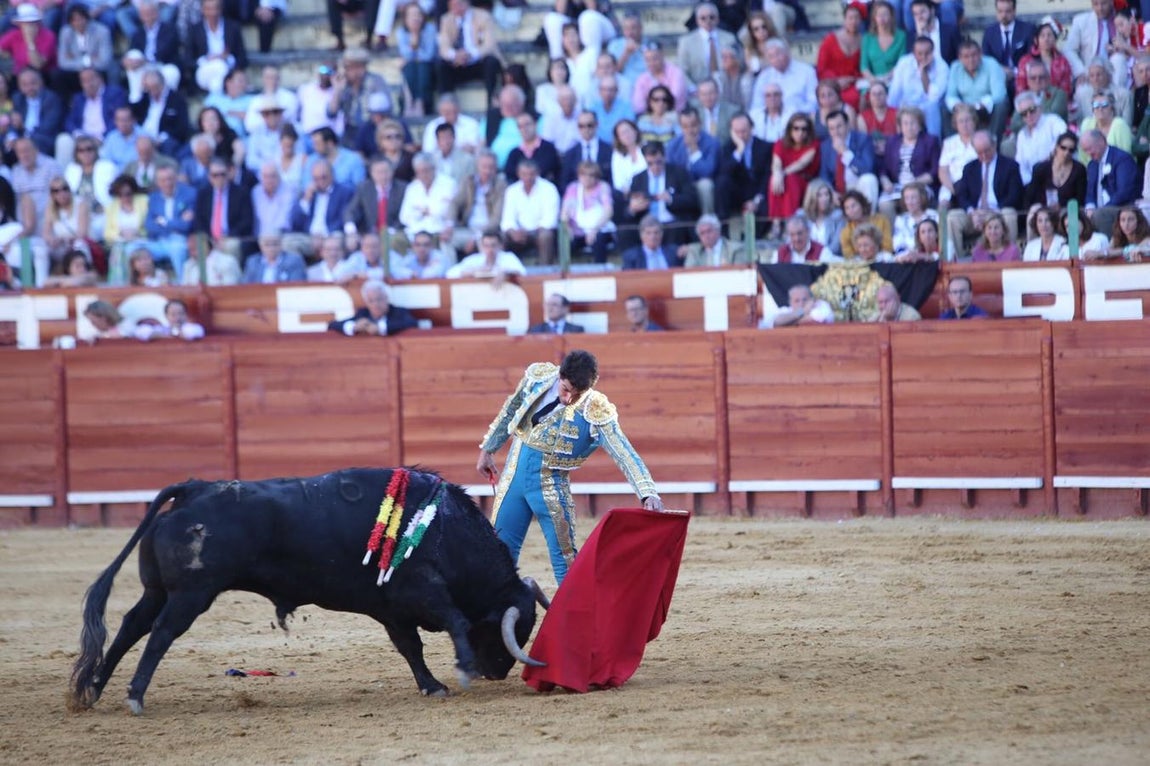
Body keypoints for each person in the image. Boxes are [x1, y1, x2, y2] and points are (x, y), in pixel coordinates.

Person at [476, 349, 663, 584]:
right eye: (565, 389)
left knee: (565, 562)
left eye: (577, 395)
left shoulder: (595, 408)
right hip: (512, 479)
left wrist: (647, 492)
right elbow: (510, 410)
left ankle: (575, 608)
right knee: (498, 555)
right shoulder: (538, 377)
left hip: (550, 488)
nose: (568, 400)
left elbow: (623, 452)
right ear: (559, 375)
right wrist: (488, 449)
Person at [948, 130, 1024, 258]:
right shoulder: (969, 168)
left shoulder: (1010, 166)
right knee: (953, 217)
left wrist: (993, 213)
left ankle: (1008, 257)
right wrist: (972, 212)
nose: (983, 155)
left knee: (1009, 214)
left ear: (994, 145)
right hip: (975, 215)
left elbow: (1015, 195)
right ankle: (957, 261)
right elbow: (962, 196)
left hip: (998, 212)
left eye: (987, 151)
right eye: (979, 152)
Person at [436, 0, 503, 102]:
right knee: (441, 64)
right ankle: (447, 103)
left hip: (478, 62)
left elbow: (489, 45)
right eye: (453, 5)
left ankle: (491, 102)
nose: (456, 7)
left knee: (491, 62)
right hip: (457, 64)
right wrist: (455, 55)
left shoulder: (483, 16)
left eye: (459, 4)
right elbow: (443, 47)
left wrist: (470, 54)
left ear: (467, 3)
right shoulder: (446, 19)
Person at [767, 114, 819, 239]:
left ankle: (788, 223)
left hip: (805, 181)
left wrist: (782, 173)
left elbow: (801, 163)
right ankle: (776, 223)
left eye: (804, 129)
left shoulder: (813, 144)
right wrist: (777, 174)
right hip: (786, 180)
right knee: (774, 179)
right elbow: (776, 163)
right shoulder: (780, 143)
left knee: (789, 179)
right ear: (790, 129)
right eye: (796, 128)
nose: (800, 132)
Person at [945, 40, 1009, 139]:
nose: (971, 60)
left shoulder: (991, 64)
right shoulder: (955, 67)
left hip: (985, 108)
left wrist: (982, 104)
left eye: (974, 55)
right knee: (944, 107)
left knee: (1002, 104)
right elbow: (951, 94)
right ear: (960, 58)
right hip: (964, 108)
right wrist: (957, 105)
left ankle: (993, 140)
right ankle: (954, 142)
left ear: (980, 54)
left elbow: (999, 94)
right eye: (966, 56)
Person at [501, 159, 560, 265]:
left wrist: (529, 233)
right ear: (518, 174)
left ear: (537, 173)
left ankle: (545, 271)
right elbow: (507, 220)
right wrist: (514, 232)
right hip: (517, 233)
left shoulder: (549, 189)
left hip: (539, 233)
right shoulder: (512, 190)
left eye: (531, 174)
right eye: (524, 174)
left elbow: (549, 221)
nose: (528, 177)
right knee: (501, 237)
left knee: (546, 236)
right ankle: (504, 270)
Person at [888, 35, 948, 138]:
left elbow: (933, 97)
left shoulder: (942, 66)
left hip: (929, 107)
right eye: (919, 54)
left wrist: (923, 72)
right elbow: (895, 91)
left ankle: (933, 141)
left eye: (927, 53)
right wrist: (891, 110)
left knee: (932, 106)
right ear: (913, 53)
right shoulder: (904, 63)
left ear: (933, 52)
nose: (923, 57)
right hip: (907, 105)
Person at [1082, 128, 1138, 237]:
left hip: (1121, 206)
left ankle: (1108, 246)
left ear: (1101, 142)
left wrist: (1102, 209)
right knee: (1074, 214)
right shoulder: (1092, 165)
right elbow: (1090, 192)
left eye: (1090, 148)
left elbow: (1124, 192)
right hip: (1099, 209)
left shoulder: (1122, 159)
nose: (1088, 153)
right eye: (1085, 150)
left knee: (1100, 215)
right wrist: (1089, 207)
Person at [820, 109, 878, 207]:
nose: (836, 132)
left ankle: (867, 215)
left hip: (858, 185)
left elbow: (867, 169)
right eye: (831, 128)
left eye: (839, 126)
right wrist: (831, 192)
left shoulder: (863, 139)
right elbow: (824, 174)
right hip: (837, 191)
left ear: (847, 125)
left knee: (869, 179)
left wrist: (845, 152)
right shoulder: (826, 146)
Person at [561, 161, 614, 264]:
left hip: (599, 229)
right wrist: (567, 228)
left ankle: (600, 269)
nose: (587, 178)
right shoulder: (573, 188)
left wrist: (594, 229)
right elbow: (565, 212)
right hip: (577, 230)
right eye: (584, 174)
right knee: (565, 241)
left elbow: (608, 211)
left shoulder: (603, 187)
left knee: (599, 240)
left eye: (591, 175)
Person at [328, 279, 418, 337]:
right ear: (366, 303)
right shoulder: (363, 313)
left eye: (379, 299)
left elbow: (412, 323)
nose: (376, 304)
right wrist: (353, 327)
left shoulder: (398, 312)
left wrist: (381, 328)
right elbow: (332, 325)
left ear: (386, 298)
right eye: (371, 301)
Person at [816, 3, 864, 110]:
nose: (853, 21)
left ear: (861, 20)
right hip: (832, 83)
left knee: (861, 97)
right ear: (844, 19)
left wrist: (852, 79)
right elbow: (821, 68)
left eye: (857, 18)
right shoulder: (830, 40)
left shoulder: (864, 41)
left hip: (854, 83)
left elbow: (863, 68)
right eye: (850, 18)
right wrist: (835, 81)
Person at [982, 0, 1035, 90]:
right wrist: (1000, 70)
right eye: (1000, 11)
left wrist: (1014, 72)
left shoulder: (1028, 30)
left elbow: (1031, 57)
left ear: (1014, 11)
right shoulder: (989, 32)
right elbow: (986, 59)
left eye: (1007, 11)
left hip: (1023, 77)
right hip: (997, 79)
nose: (1004, 15)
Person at [1017, 16, 1073, 101]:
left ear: (1055, 39)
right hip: (1031, 101)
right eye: (1042, 36)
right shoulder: (1025, 61)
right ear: (1036, 40)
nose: (1046, 39)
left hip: (1055, 101)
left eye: (1049, 35)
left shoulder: (1062, 62)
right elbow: (1020, 88)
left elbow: (1065, 89)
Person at [445, 229, 527, 279]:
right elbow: (450, 274)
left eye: (493, 245)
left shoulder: (508, 257)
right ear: (482, 246)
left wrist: (506, 273)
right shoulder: (475, 260)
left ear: (500, 246)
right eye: (486, 246)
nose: (490, 250)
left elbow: (522, 272)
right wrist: (473, 272)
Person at [938, 104, 979, 204]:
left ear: (974, 121)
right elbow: (943, 171)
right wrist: (953, 190)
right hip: (952, 184)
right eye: (960, 121)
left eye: (968, 120)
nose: (964, 124)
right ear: (955, 124)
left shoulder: (982, 140)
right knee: (943, 203)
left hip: (976, 184)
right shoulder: (949, 143)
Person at [839, 190, 892, 259]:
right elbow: (849, 256)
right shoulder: (845, 232)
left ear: (862, 204)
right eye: (847, 208)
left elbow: (887, 247)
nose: (851, 210)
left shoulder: (881, 221)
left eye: (853, 206)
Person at [680, 214, 746, 267]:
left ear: (718, 231)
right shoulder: (694, 251)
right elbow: (689, 274)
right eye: (702, 233)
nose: (706, 236)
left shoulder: (735, 249)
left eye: (709, 231)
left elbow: (739, 273)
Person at [801, 179, 844, 257]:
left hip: (829, 258)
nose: (824, 199)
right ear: (812, 197)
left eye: (826, 194)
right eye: (819, 195)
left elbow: (835, 247)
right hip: (805, 258)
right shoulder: (802, 217)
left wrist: (818, 257)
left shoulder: (838, 217)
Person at [766, 283, 835, 327]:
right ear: (790, 302)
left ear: (811, 299)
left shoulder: (821, 305)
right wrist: (803, 311)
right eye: (797, 301)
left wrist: (788, 322)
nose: (801, 303)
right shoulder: (786, 310)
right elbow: (776, 322)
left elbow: (815, 320)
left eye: (804, 299)